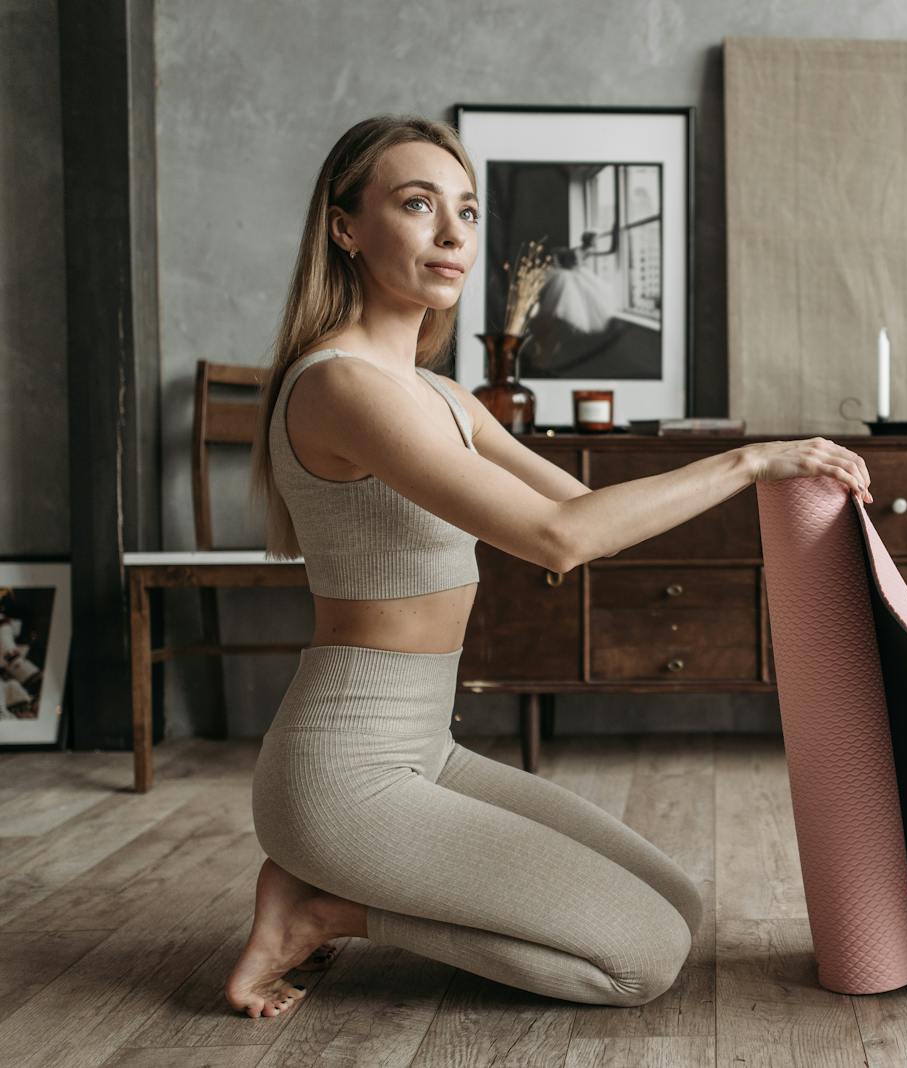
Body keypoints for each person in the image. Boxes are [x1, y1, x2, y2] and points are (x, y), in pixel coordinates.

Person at [225, 115, 873, 1019]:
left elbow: (582, 511)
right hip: (342, 774)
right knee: (640, 961)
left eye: (467, 210)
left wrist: (775, 498)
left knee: (679, 908)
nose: (454, 235)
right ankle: (327, 907)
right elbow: (557, 541)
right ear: (345, 227)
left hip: (425, 753)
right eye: (417, 205)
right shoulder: (341, 386)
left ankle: (327, 898)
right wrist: (745, 461)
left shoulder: (441, 394)